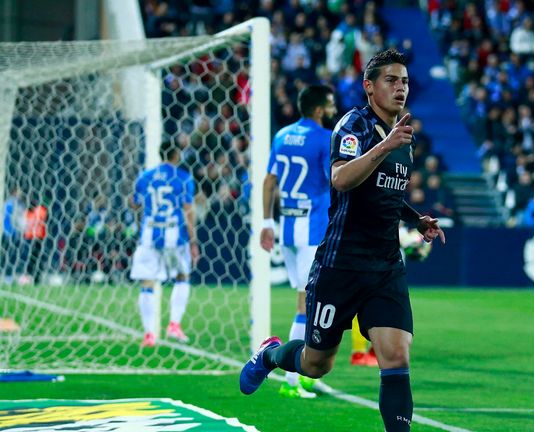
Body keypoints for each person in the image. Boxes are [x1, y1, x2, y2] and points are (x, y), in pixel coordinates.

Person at [240, 49, 446, 432]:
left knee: (396, 357)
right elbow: (341, 179)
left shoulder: (403, 135)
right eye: (391, 80)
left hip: (385, 265)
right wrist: (384, 146)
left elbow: (385, 192)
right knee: (317, 364)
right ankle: (270, 356)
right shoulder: (353, 126)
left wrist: (416, 219)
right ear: (369, 87)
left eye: (404, 81)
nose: (400, 88)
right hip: (340, 263)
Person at [259, 85, 337, 398]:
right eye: (330, 105)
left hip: (287, 227)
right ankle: (292, 382)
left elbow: (269, 181)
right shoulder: (324, 138)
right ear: (318, 109)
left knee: (307, 301)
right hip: (312, 229)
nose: (332, 109)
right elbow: (334, 181)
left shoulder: (282, 136)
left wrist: (266, 223)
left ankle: (306, 375)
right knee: (307, 304)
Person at [130, 140, 199, 348]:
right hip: (175, 235)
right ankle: (174, 325)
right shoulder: (184, 178)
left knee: (147, 283)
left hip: (149, 234)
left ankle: (149, 333)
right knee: (182, 276)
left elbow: (134, 204)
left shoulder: (145, 176)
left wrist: (141, 224)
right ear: (176, 154)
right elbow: (188, 210)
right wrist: (193, 240)